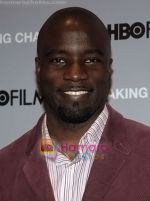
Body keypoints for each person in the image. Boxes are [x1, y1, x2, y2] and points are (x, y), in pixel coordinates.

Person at [0, 7, 150, 201]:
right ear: (39, 68)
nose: (75, 74)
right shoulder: (4, 168)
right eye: (59, 60)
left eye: (91, 60)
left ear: (108, 68)